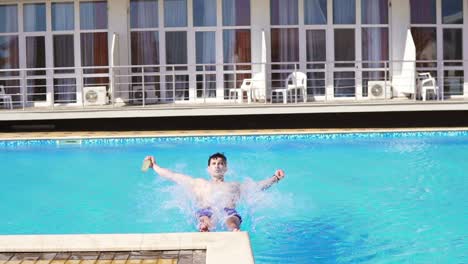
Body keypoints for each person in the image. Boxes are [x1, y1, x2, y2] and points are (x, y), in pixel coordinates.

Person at [143, 152, 285, 232]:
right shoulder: (198, 183)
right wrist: (154, 166)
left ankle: (234, 231)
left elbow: (257, 186)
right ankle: (205, 228)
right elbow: (172, 175)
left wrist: (275, 178)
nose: (217, 166)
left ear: (226, 168)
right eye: (214, 164)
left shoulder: (235, 186)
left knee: (232, 221)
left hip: (228, 211)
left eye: (221, 163)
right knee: (205, 220)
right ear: (208, 168)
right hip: (207, 211)